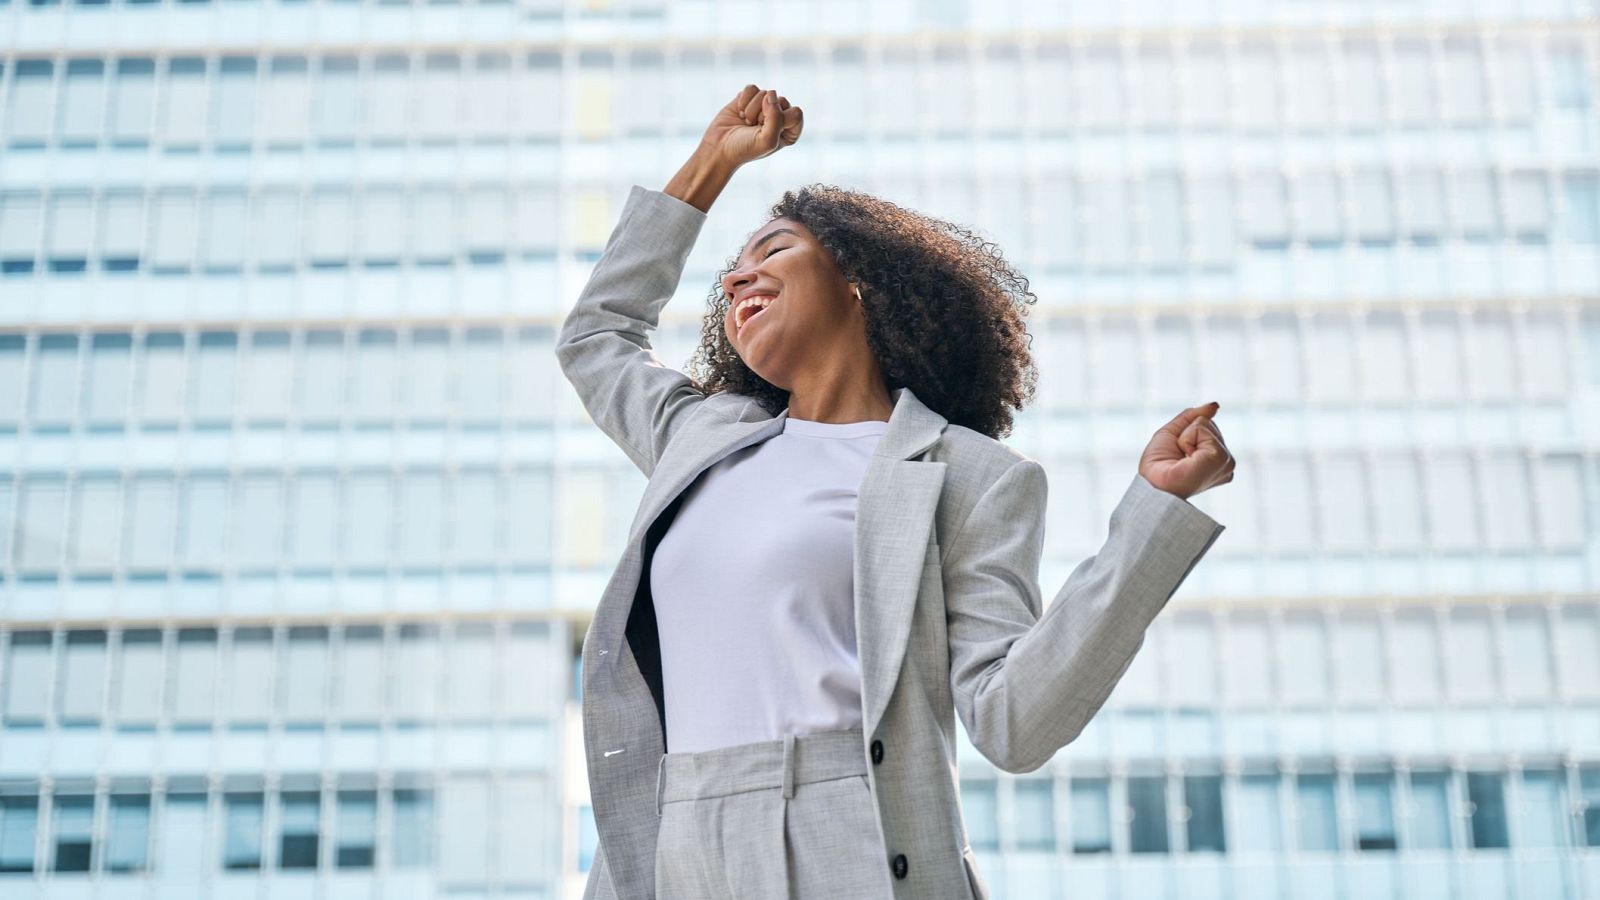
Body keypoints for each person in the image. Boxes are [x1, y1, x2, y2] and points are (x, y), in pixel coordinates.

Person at [557, 84, 1235, 899]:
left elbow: (1013, 720)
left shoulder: (967, 475)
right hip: (674, 843)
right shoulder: (701, 437)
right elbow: (598, 336)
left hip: (849, 833)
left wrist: (1151, 521)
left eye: (771, 250)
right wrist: (712, 164)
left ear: (859, 279)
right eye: (731, 274)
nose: (738, 278)